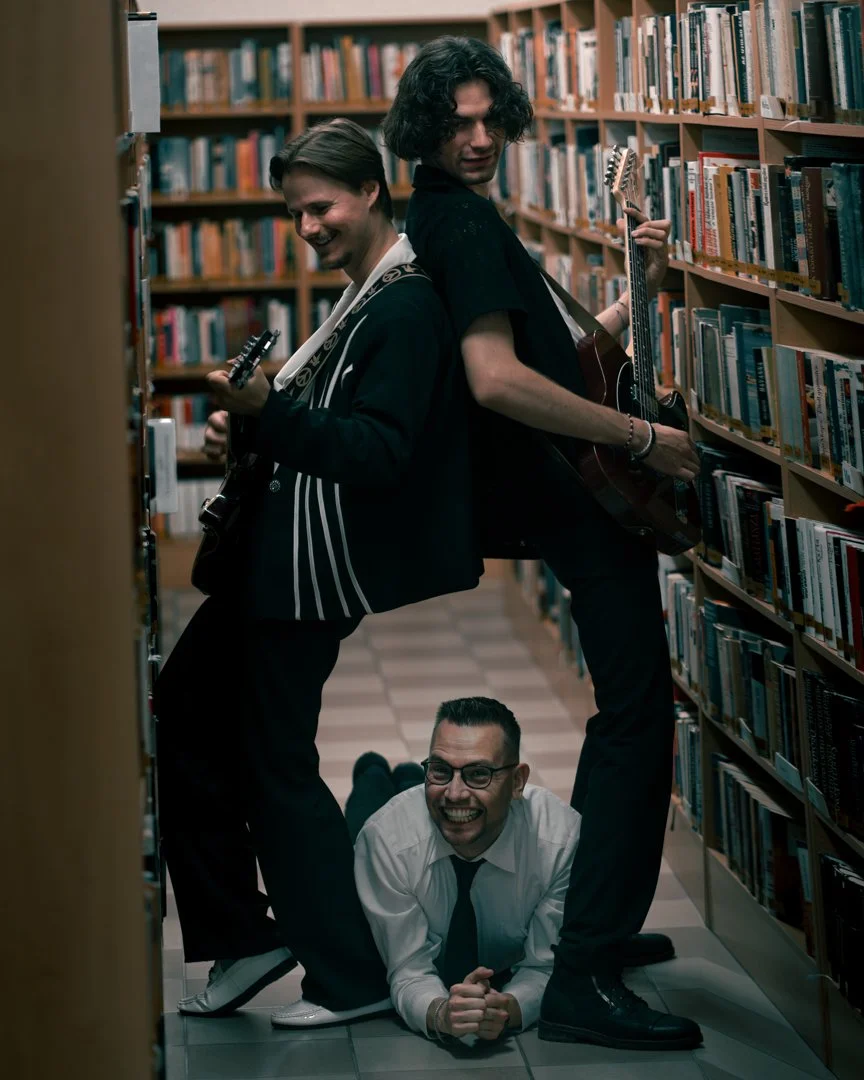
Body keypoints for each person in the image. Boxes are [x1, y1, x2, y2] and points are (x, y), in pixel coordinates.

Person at [381, 38, 703, 1051]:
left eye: (489, 119)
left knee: (631, 710)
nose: (478, 140)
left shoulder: (450, 214)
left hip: (556, 487)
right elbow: (496, 380)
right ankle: (588, 967)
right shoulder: (463, 223)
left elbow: (547, 358)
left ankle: (599, 927)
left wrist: (627, 292)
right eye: (456, 124)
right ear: (424, 130)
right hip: (563, 495)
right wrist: (645, 437)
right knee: (637, 715)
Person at [157, 118, 481, 1023]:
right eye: (296, 213)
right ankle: (256, 938)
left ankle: (342, 975)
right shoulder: (360, 293)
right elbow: (320, 423)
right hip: (278, 564)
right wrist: (253, 425)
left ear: (372, 192)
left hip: (306, 578)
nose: (308, 227)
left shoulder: (405, 307)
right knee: (202, 720)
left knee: (274, 763)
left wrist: (274, 415)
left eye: (321, 207)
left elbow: (378, 453)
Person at [272, 696, 582, 1042]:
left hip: (429, 824)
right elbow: (407, 969)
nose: (455, 791)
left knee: (442, 811)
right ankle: (371, 770)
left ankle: (404, 774)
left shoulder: (559, 843)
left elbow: (545, 966)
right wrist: (439, 1013)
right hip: (398, 830)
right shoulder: (387, 839)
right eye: (440, 770)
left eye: (478, 774)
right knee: (366, 814)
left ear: (517, 782)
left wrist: (509, 1007)